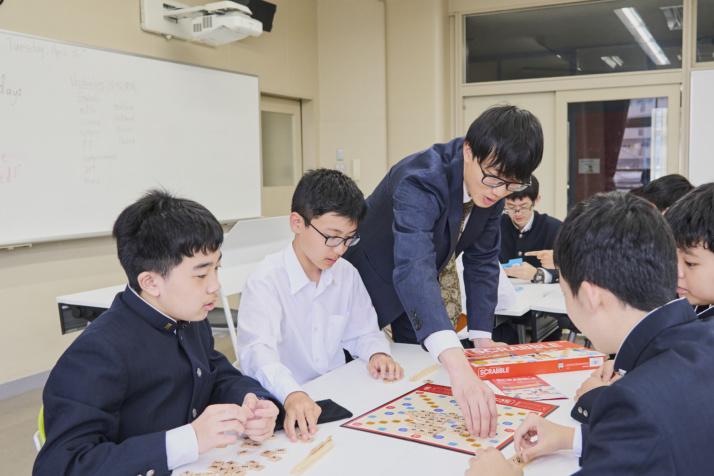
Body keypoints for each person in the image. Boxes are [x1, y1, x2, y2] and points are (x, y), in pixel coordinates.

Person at [34, 190, 282, 476]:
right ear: (150, 282)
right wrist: (188, 439)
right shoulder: (98, 352)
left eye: (217, 268)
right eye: (201, 274)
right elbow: (61, 466)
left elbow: (215, 375)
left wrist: (253, 402)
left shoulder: (190, 318)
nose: (215, 285)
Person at [465, 191, 714, 476]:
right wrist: (575, 439)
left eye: (565, 293)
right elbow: (670, 442)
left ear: (590, 295)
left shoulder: (634, 400)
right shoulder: (703, 338)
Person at [343, 104, 544, 438]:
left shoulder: (493, 191)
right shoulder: (420, 179)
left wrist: (482, 337)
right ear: (468, 150)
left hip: (420, 297)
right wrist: (459, 367)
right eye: (493, 177)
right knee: (357, 380)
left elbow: (482, 261)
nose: (497, 192)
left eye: (510, 185)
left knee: (415, 378)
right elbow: (413, 267)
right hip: (370, 286)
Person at [237, 169, 402, 443]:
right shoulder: (266, 279)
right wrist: (292, 393)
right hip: (285, 404)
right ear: (297, 223)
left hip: (336, 398)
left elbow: (364, 332)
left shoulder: (346, 274)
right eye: (332, 236)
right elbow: (257, 353)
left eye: (349, 238)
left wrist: (377, 354)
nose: (339, 249)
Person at [572, 181, 714, 418]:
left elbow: (677, 413)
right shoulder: (697, 307)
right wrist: (636, 366)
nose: (676, 271)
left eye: (690, 263)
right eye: (672, 257)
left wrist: (602, 397)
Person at [499, 175, 561, 283]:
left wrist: (538, 274)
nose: (517, 213)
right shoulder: (494, 227)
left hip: (541, 296)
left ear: (536, 200)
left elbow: (573, 269)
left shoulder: (555, 228)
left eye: (523, 206)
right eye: (510, 207)